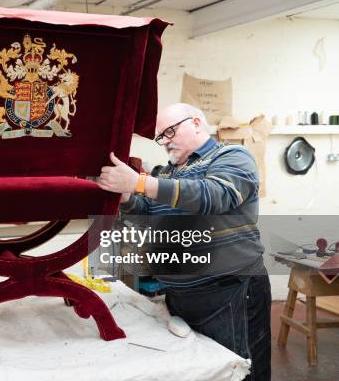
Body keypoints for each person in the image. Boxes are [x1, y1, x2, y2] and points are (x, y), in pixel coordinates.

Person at [97, 103, 271, 381]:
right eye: (160, 137)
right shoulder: (165, 173)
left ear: (197, 123)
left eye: (170, 132)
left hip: (229, 291)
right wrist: (125, 195)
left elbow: (212, 196)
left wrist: (140, 183)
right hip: (181, 297)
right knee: (203, 372)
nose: (164, 142)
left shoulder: (233, 156)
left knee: (240, 370)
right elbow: (147, 211)